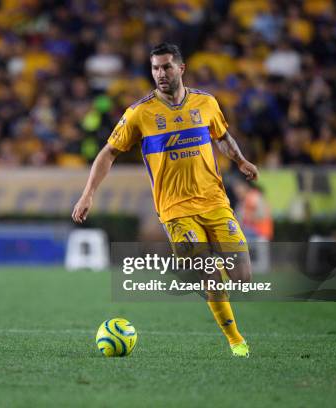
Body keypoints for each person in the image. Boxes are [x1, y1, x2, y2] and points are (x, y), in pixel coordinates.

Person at [72, 43, 259, 358]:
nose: (160, 73)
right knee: (209, 273)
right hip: (175, 210)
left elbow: (223, 137)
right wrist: (88, 192)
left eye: (166, 67)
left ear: (181, 68)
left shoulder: (206, 103)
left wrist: (240, 161)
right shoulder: (140, 113)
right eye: (155, 68)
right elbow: (108, 152)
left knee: (242, 277)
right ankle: (235, 339)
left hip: (215, 202)